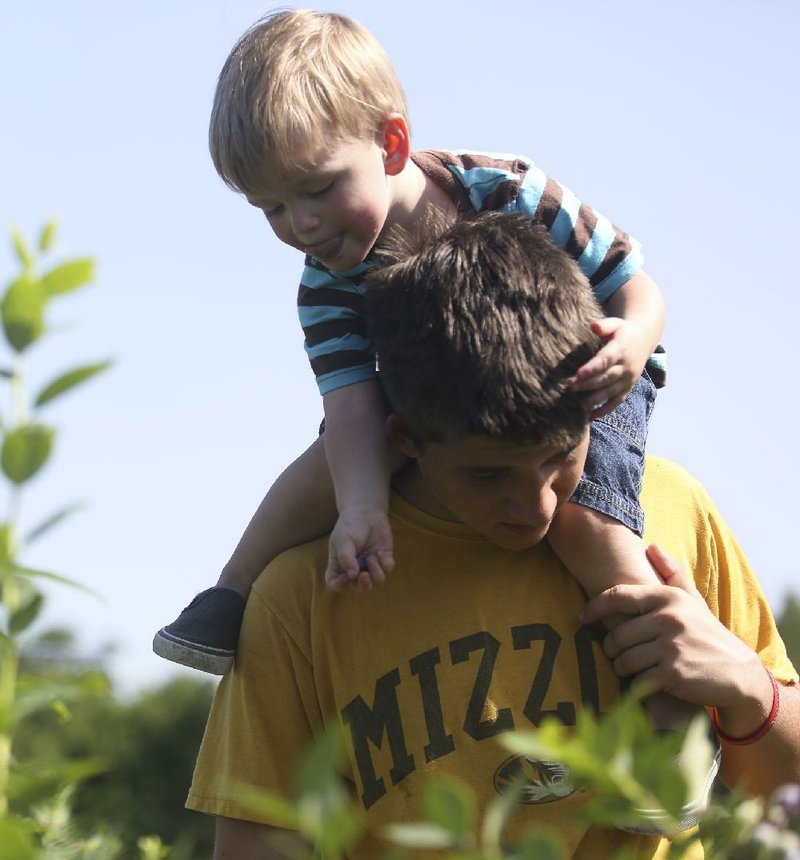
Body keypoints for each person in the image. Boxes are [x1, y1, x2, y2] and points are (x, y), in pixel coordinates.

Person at [186, 212, 799, 858]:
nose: (534, 506)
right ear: (405, 439)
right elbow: (256, 844)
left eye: (560, 456)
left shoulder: (672, 509)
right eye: (488, 474)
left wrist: (744, 685)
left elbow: (784, 795)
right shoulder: (302, 597)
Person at [153, 8, 672, 688]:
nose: (300, 223)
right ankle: (233, 589)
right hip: (441, 403)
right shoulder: (328, 284)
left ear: (392, 144)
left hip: (574, 386)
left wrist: (631, 341)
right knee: (331, 454)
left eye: (317, 188)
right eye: (271, 207)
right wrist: (362, 506)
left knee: (587, 524)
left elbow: (636, 286)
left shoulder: (507, 188)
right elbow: (351, 412)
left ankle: (672, 693)